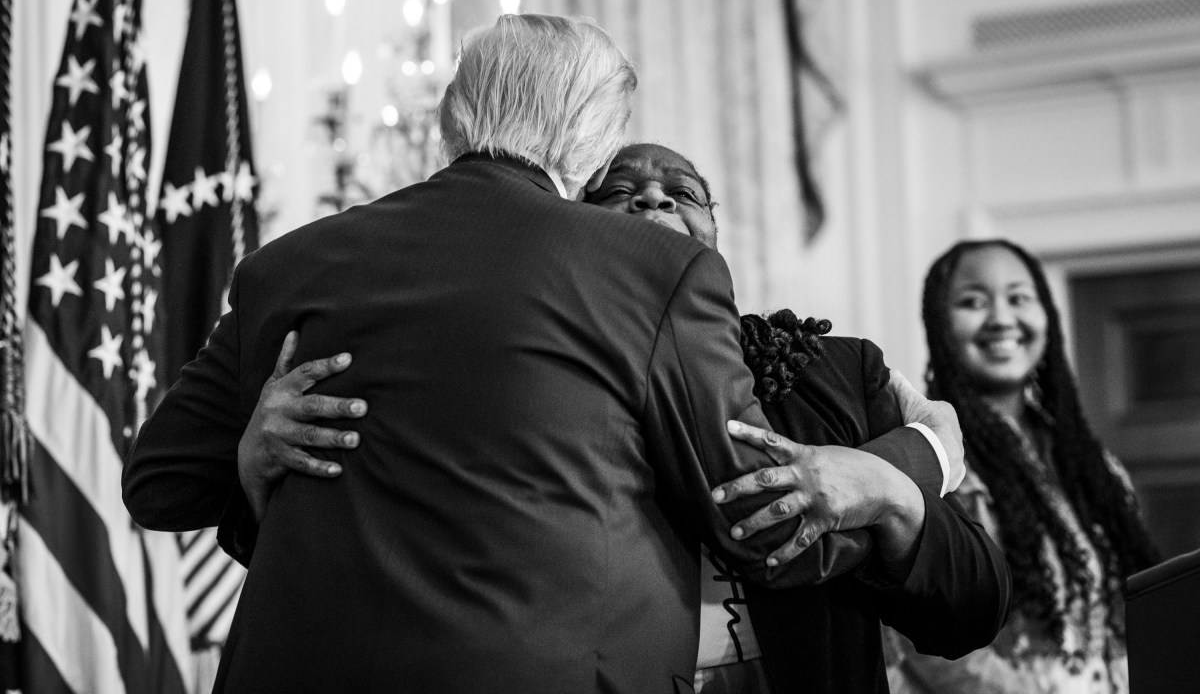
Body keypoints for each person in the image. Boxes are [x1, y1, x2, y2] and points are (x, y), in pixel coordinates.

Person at [123, 15, 945, 694]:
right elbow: (762, 522)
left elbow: (157, 481)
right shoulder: (653, 269)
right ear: (593, 140)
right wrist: (923, 456)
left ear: (454, 112)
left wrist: (250, 452)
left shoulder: (290, 263)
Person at [233, 143, 1011, 694]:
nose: (652, 199)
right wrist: (254, 464)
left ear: (714, 234)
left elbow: (969, 606)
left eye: (683, 191)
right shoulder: (527, 382)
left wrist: (892, 489)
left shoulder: (838, 375)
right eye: (616, 191)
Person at [885, 239, 1160, 694]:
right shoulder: (929, 460)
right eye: (973, 301)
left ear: (1046, 315)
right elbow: (921, 634)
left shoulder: (1095, 467)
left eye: (1019, 298)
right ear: (939, 325)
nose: (1001, 318)